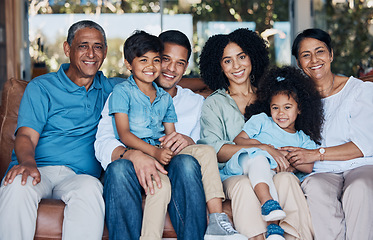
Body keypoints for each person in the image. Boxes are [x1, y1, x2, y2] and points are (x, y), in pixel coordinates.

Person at [95, 30, 245, 240]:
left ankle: (212, 225)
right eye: (165, 59)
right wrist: (134, 155)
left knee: (187, 162)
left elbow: (203, 146)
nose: (171, 69)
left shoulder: (195, 103)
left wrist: (188, 141)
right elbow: (103, 141)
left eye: (180, 63)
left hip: (176, 171)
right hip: (130, 170)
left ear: (186, 67)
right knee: (119, 169)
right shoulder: (121, 94)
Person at [0, 20, 121, 239]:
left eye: (98, 46)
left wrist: (201, 85)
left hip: (80, 176)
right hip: (39, 169)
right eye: (83, 45)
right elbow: (26, 135)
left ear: (105, 52)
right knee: (18, 184)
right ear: (68, 49)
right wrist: (27, 162)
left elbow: (161, 82)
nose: (91, 54)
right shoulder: (42, 87)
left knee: (91, 189)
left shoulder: (114, 89)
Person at [198, 28, 314, 240]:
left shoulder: (271, 95)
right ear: (219, 66)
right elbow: (214, 150)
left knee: (287, 179)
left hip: (278, 170)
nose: (237, 66)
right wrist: (261, 147)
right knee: (244, 185)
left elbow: (293, 133)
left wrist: (287, 157)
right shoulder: (214, 103)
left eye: (242, 56)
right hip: (233, 174)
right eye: (227, 61)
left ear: (252, 56)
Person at [286, 28, 373, 240]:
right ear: (298, 63)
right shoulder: (297, 99)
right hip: (321, 172)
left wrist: (316, 154)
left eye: (320, 51)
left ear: (331, 54)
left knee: (360, 189)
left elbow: (363, 145)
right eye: (306, 55)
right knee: (315, 188)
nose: (314, 59)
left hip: (359, 165)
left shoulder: (359, 90)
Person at [225, 66, 323, 239]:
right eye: (275, 107)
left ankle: (275, 229)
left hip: (270, 173)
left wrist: (287, 161)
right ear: (269, 107)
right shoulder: (262, 121)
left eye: (287, 107)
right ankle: (267, 202)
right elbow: (238, 141)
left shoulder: (302, 139)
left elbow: (308, 166)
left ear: (299, 109)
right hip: (246, 162)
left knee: (275, 178)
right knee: (260, 159)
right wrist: (264, 147)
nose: (281, 113)